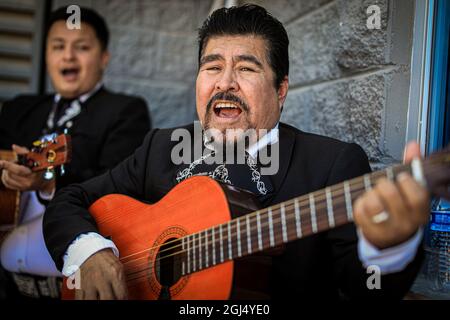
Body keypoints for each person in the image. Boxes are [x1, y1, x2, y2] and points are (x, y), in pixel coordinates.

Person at [43, 4, 430, 300]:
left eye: (246, 69)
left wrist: (388, 248)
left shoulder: (331, 164)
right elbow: (70, 200)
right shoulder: (160, 148)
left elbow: (363, 290)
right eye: (212, 67)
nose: (224, 83)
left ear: (281, 91)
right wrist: (91, 252)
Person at [0, 6, 151, 299]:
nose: (68, 56)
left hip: (72, 250)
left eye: (81, 47)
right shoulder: (18, 108)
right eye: (58, 46)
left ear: (103, 58)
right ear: (46, 56)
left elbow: (117, 187)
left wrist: (48, 182)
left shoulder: (125, 111)